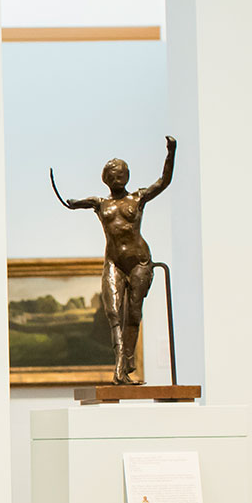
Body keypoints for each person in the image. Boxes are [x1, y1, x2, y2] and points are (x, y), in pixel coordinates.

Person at [55, 136, 176, 383]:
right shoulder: (100, 204)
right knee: (112, 313)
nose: (117, 176)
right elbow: (77, 203)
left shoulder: (138, 198)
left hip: (139, 261)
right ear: (106, 178)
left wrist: (171, 153)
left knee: (132, 314)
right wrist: (71, 202)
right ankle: (120, 367)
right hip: (114, 262)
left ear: (127, 176)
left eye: (121, 172)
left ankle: (124, 366)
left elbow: (164, 182)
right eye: (112, 173)